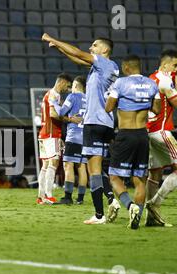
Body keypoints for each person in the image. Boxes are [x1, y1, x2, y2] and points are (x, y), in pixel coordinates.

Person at [42, 34, 120, 225]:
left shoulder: (104, 64)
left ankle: (100, 215)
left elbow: (78, 53)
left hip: (93, 123)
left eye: (94, 45)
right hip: (108, 123)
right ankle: (111, 198)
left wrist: (52, 39)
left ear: (105, 50)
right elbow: (77, 58)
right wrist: (59, 48)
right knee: (99, 168)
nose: (91, 47)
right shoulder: (105, 68)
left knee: (92, 169)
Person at [105, 55, 161, 229]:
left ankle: (131, 206)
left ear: (127, 68)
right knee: (140, 179)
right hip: (142, 135)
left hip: (126, 134)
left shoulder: (120, 83)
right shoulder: (152, 84)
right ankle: (137, 218)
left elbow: (108, 107)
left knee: (114, 177)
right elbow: (157, 109)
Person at [145, 50, 177, 227]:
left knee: (155, 172)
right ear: (165, 65)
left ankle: (150, 218)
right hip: (161, 131)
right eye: (175, 65)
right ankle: (155, 202)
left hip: (149, 131)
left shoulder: (151, 77)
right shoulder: (165, 81)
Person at [36, 73, 72, 205]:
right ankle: (48, 194)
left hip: (44, 133)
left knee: (45, 165)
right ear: (61, 82)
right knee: (54, 163)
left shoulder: (48, 93)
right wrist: (68, 119)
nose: (67, 90)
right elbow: (52, 114)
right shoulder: (55, 95)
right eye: (67, 86)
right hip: (52, 134)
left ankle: (41, 196)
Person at [54, 76, 88, 205]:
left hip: (74, 136)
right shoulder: (89, 99)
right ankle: (80, 198)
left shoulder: (73, 97)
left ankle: (67, 197)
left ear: (75, 85)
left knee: (68, 165)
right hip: (85, 138)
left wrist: (55, 104)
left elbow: (61, 112)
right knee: (82, 167)